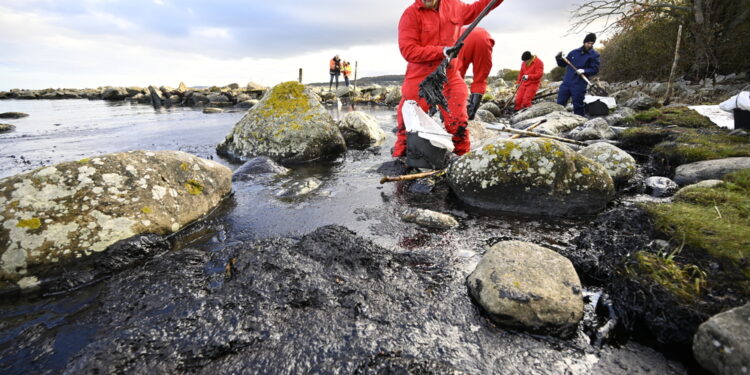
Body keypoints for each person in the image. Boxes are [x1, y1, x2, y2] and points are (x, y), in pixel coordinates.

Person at [393, 0, 504, 158]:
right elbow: (408, 51)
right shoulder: (410, 15)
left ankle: (461, 160)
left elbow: (480, 8)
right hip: (419, 78)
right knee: (407, 130)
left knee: (459, 125)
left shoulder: (455, 6)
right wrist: (442, 51)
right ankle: (400, 162)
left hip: (449, 76)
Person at [456, 27, 495, 120]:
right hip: (484, 40)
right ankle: (471, 113)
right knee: (480, 78)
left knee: (456, 76)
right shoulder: (478, 30)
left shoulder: (455, 31)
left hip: (463, 40)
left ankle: (454, 110)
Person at [556, 33, 600, 116]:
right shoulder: (574, 52)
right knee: (559, 104)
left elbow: (595, 69)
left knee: (578, 105)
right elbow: (563, 64)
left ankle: (579, 123)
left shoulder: (594, 55)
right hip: (567, 83)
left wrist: (584, 70)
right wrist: (558, 58)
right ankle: (556, 120)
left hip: (579, 84)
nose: (589, 45)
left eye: (591, 43)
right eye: (588, 43)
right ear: (584, 42)